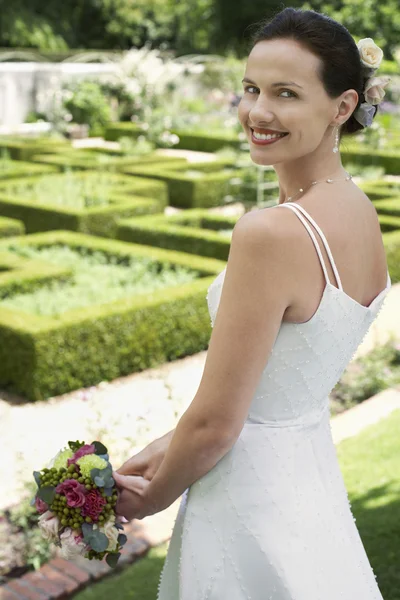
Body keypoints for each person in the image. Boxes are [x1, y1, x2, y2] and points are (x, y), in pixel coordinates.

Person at [112, 7, 392, 599]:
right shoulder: (361, 214)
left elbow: (219, 424)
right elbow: (273, 391)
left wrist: (152, 498)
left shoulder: (272, 234)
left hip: (248, 502)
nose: (257, 112)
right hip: (308, 486)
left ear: (342, 107)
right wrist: (161, 451)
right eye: (250, 89)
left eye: (285, 94)